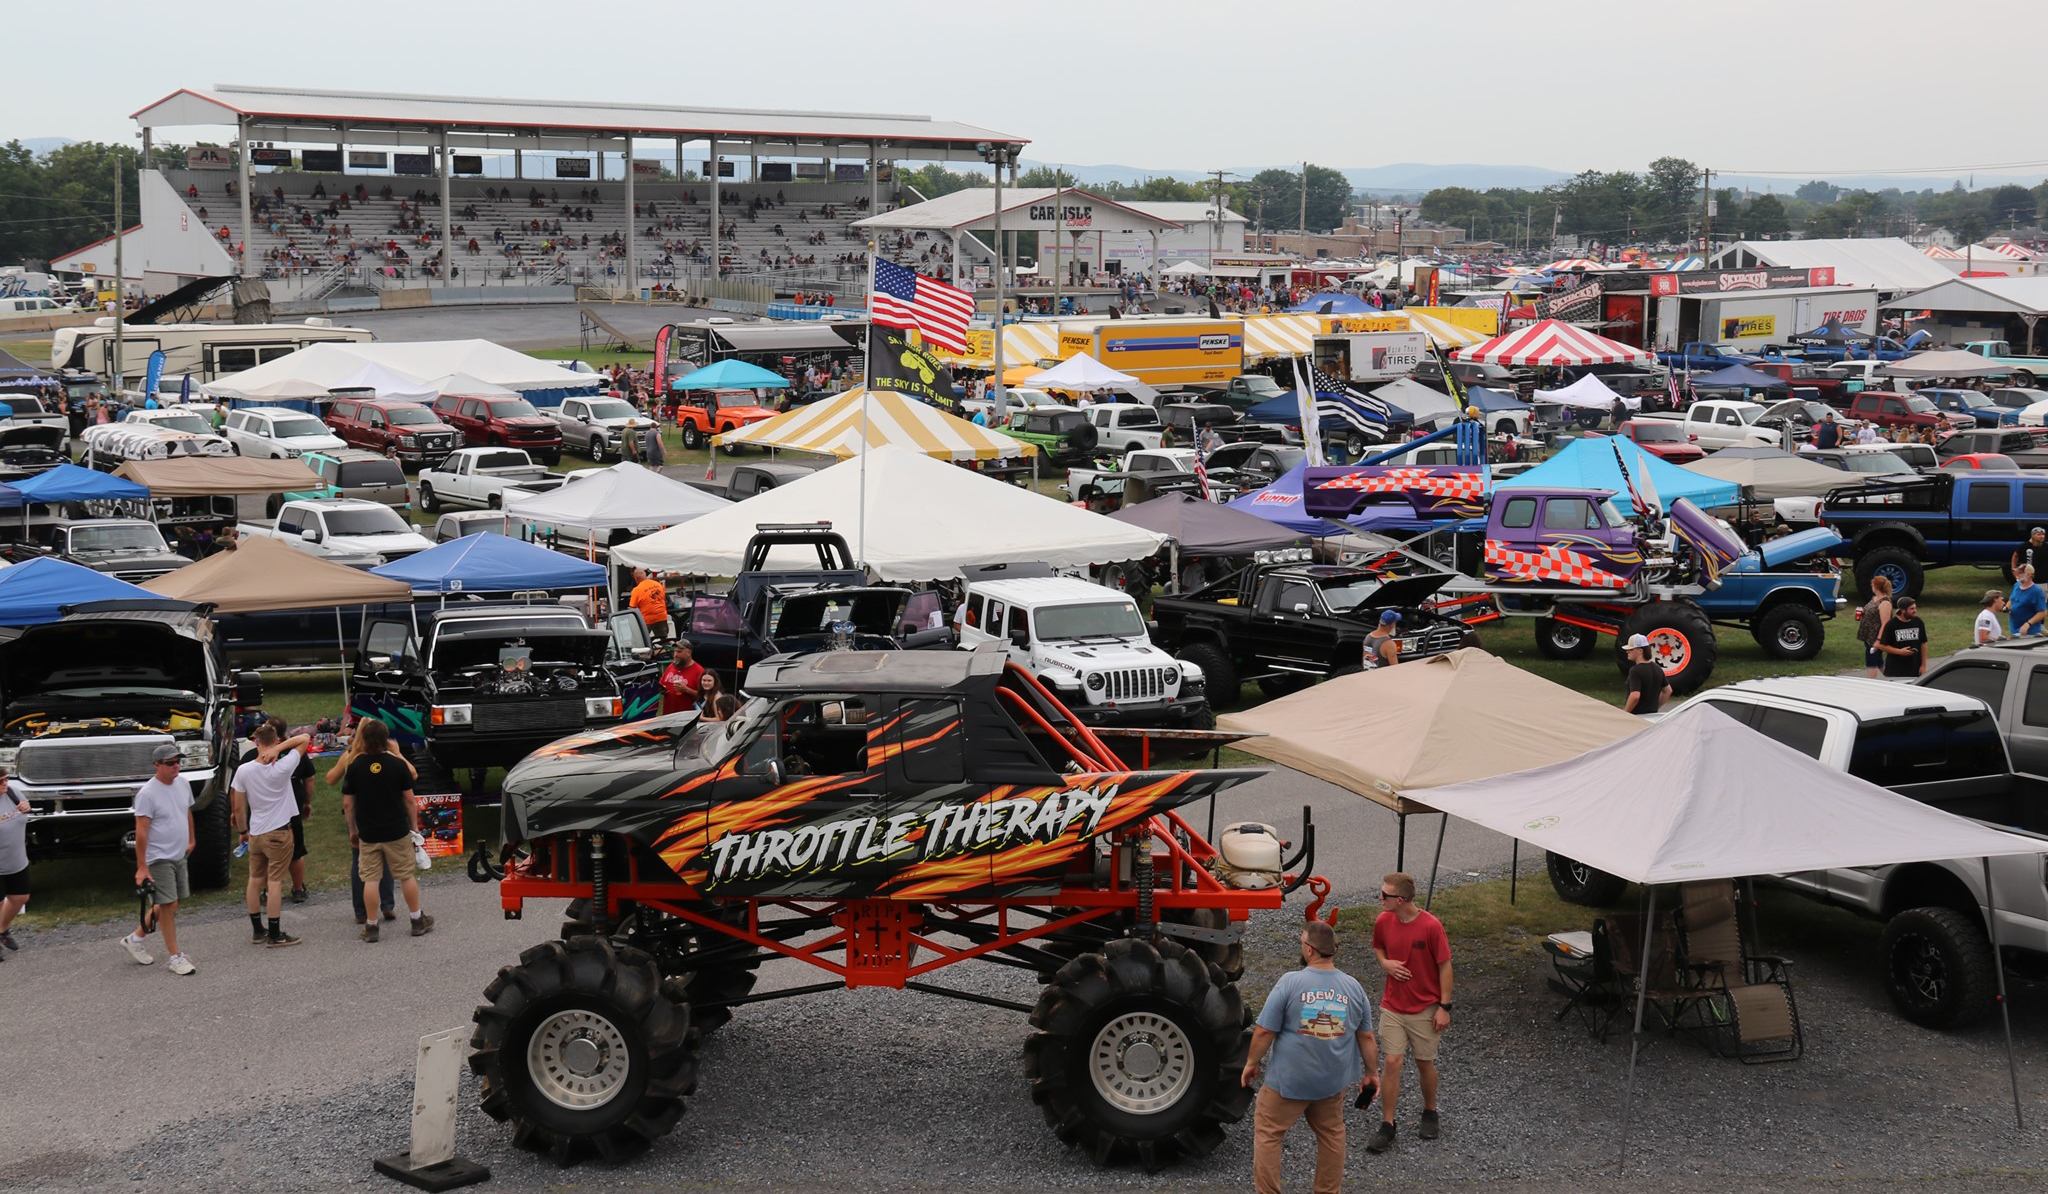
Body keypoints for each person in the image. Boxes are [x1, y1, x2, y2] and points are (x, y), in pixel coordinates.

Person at [1242, 920, 1377, 1194]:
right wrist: (1371, 1073)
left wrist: (1252, 1062)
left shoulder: (1291, 982)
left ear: (1309, 950)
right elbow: (1367, 1036)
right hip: (1331, 1082)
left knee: (1269, 1133)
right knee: (1331, 1135)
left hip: (1289, 1083)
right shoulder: (1354, 987)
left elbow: (1265, 1030)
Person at [1367, 872, 1453, 1154]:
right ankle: (1388, 1125)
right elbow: (1379, 947)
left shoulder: (1431, 926)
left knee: (1424, 1062)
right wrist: (1386, 964)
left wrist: (1444, 1007)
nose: (1380, 898)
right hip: (1393, 1006)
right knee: (1392, 1061)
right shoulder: (1383, 921)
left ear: (1400, 900)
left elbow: (1444, 966)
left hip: (1425, 1008)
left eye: (1384, 895)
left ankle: (1430, 1111)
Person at [341, 718, 432, 941]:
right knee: (406, 875)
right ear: (385, 740)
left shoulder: (355, 767)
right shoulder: (397, 765)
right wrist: (414, 827)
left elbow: (348, 804)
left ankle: (372, 926)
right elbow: (410, 801)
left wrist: (352, 829)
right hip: (396, 830)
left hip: (369, 833)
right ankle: (416, 919)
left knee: (371, 879)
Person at [121, 745, 197, 974]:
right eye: (170, 763)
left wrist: (191, 839)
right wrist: (142, 867)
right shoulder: (147, 794)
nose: (176, 766)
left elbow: (187, 812)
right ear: (157, 765)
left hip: (179, 853)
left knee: (171, 903)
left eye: (177, 762)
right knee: (167, 906)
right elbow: (141, 832)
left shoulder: (183, 784)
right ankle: (175, 957)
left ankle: (134, 940)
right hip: (159, 857)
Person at [231, 725, 309, 948]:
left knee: (255, 880)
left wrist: (243, 832)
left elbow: (238, 808)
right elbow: (304, 738)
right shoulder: (284, 766)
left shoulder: (244, 770)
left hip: (256, 832)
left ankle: (257, 930)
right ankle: (275, 933)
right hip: (279, 832)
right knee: (275, 882)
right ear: (275, 741)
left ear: (256, 742)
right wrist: (281, 748)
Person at [324, 731, 398, 927]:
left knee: (360, 862)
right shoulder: (388, 757)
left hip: (359, 813)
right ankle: (387, 904)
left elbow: (330, 779)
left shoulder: (351, 757)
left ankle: (361, 911)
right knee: (386, 859)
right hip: (385, 812)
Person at [240, 715, 313, 905]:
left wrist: (240, 827)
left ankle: (263, 895)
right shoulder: (288, 760)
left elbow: (237, 796)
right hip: (288, 815)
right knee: (295, 853)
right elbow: (305, 740)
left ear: (257, 740)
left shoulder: (247, 763)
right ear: (279, 738)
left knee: (260, 867)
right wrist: (307, 802)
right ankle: (297, 889)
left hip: (258, 821)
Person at [0, 767, 28, 959]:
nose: (5, 784)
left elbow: (25, 807)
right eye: (0, 781)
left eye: (6, 779)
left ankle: (2, 931)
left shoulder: (12, 792)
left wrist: (27, 807)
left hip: (17, 859)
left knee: (20, 898)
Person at [1877, 595, 1929, 679]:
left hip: (1915, 669)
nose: (1915, 611)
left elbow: (1923, 643)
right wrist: (1900, 652)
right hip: (1895, 670)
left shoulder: (1918, 622)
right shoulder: (1891, 625)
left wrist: (1923, 666)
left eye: (1915, 608)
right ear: (1902, 610)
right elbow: (1882, 645)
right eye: (1911, 609)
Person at [1622, 633, 1671, 715]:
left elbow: (1635, 696)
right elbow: (1668, 691)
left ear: (1640, 651)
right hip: (1652, 716)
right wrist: (1655, 708)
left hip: (1637, 717)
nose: (1627, 652)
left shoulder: (1635, 670)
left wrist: (1625, 713)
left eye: (1631, 649)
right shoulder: (1657, 668)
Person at [1858, 574, 1894, 677]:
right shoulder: (1875, 598)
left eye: (1872, 585)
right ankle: (1893, 677)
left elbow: (1885, 623)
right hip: (1868, 635)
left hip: (1875, 637)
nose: (1871, 587)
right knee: (1879, 662)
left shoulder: (1885, 603)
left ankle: (1871, 683)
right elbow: (1871, 611)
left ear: (1877, 586)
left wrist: (1878, 641)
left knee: (1871, 662)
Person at [659, 640, 706, 715]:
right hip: (668, 716)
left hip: (687, 718)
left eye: (679, 652)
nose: (675, 655)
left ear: (688, 653)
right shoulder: (671, 666)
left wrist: (686, 690)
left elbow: (704, 696)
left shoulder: (698, 671)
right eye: (675, 651)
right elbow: (662, 683)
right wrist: (662, 690)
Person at [629, 567, 671, 641]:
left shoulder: (636, 590)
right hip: (661, 616)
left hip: (647, 620)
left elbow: (632, 608)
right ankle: (670, 651)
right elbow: (663, 599)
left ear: (635, 578)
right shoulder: (657, 584)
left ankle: (644, 652)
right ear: (645, 575)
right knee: (664, 640)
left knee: (639, 641)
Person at [2010, 565, 2047, 637]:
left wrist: (2028, 624)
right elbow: (2012, 599)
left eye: (2021, 573)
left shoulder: (2036, 591)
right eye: (2018, 572)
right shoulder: (2016, 585)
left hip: (2029, 632)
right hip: (2014, 629)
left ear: (2029, 575)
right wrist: (2007, 607)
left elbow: (2042, 612)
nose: (2018, 575)